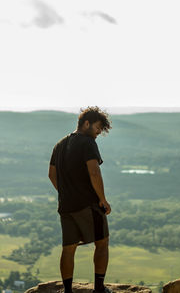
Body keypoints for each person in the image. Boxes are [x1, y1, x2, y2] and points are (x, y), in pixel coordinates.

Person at [48, 106, 112, 293]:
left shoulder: (59, 144)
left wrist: (67, 192)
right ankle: (99, 289)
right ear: (87, 123)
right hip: (88, 204)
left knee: (68, 248)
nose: (99, 132)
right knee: (102, 242)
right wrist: (103, 199)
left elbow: (52, 174)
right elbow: (94, 171)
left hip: (66, 205)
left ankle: (68, 291)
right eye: (98, 127)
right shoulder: (87, 142)